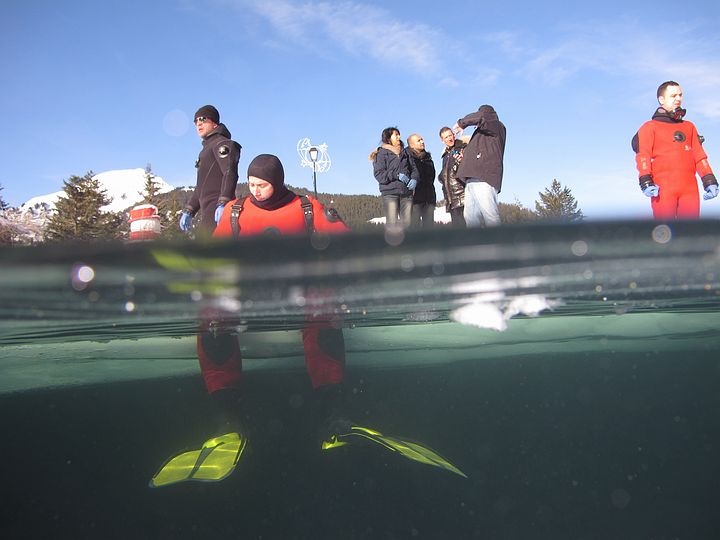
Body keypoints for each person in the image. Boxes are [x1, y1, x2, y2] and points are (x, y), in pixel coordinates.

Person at [149, 154, 467, 487]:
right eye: (252, 184)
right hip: (248, 296)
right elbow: (212, 261)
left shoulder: (307, 207)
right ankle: (228, 421)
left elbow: (345, 240)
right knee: (211, 318)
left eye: (262, 184)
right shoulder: (235, 211)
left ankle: (336, 420)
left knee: (322, 310)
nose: (255, 190)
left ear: (278, 180)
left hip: (301, 293)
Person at [632, 81, 718, 220]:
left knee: (690, 234)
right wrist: (645, 180)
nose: (678, 99)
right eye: (673, 96)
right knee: (665, 232)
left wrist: (709, 180)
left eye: (680, 95)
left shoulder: (689, 127)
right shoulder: (649, 127)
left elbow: (699, 156)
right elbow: (643, 155)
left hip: (690, 189)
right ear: (661, 99)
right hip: (663, 190)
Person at [179, 105, 242, 234]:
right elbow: (201, 186)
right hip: (207, 211)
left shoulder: (222, 143)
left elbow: (230, 172)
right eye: (195, 121)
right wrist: (189, 210)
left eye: (203, 119)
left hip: (218, 209)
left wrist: (224, 201)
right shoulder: (205, 150)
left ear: (214, 123)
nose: (198, 124)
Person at [452, 105, 506, 228]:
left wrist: (462, 123)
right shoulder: (483, 134)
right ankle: (475, 244)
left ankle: (499, 243)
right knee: (470, 217)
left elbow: (482, 117)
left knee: (490, 216)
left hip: (483, 177)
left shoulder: (496, 126)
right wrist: (465, 159)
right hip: (472, 179)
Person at [370, 127, 419, 230]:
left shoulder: (406, 152)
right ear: (388, 138)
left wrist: (414, 179)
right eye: (396, 135)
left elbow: (414, 169)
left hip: (406, 193)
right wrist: (396, 175)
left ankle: (408, 245)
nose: (399, 137)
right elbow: (379, 174)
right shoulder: (381, 153)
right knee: (392, 224)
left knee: (407, 224)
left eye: (399, 134)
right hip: (390, 193)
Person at [438, 127, 468, 228]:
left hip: (463, 196)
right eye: (446, 137)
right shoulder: (445, 156)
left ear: (454, 135)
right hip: (451, 199)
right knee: (458, 231)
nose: (449, 139)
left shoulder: (462, 148)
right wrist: (441, 177)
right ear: (442, 140)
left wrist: (462, 161)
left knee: (468, 228)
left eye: (450, 135)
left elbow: (469, 168)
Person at [406, 134, 436, 229]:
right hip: (414, 199)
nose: (422, 142)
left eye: (422, 139)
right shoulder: (407, 159)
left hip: (429, 198)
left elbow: (431, 177)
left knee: (429, 228)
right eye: (418, 140)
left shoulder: (428, 159)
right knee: (414, 227)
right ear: (411, 145)